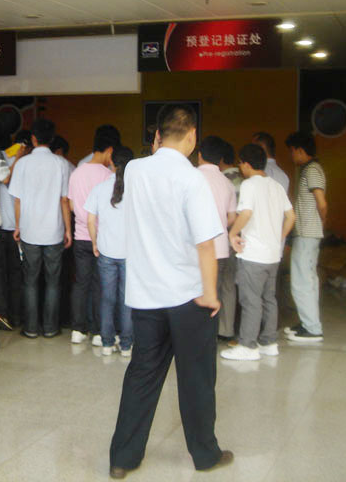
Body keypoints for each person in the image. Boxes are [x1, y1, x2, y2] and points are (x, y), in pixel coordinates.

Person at [109, 104, 232, 478]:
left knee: (142, 376)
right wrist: (210, 294)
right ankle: (205, 455)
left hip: (146, 297)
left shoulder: (134, 169)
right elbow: (206, 243)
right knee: (196, 379)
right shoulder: (192, 179)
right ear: (193, 137)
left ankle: (122, 459)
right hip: (188, 298)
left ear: (157, 136)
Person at [221, 144, 295, 361]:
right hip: (272, 255)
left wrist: (232, 233)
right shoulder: (276, 186)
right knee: (269, 299)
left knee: (250, 301)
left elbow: (246, 213)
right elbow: (291, 216)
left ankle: (247, 345)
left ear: (245, 164)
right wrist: (278, 237)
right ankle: (269, 342)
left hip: (253, 254)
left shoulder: (250, 185)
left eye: (241, 163)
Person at [9, 118, 72, 339]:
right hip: (54, 231)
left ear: (33, 138)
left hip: (29, 231)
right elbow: (64, 200)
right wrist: (68, 230)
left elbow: (17, 200)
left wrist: (18, 226)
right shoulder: (61, 164)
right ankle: (51, 328)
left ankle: (31, 328)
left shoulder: (23, 164)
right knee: (53, 282)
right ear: (52, 139)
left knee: (30, 281)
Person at [68, 127, 117, 346]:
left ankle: (77, 330)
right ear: (109, 150)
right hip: (101, 238)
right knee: (99, 285)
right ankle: (98, 332)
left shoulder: (77, 172)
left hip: (80, 236)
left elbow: (71, 205)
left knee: (81, 283)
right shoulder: (108, 176)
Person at [85, 146, 134, 357]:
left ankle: (107, 343)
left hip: (106, 251)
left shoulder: (100, 188)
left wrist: (94, 243)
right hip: (130, 254)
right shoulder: (137, 189)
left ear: (111, 163)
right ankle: (126, 345)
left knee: (107, 298)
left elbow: (90, 220)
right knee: (127, 300)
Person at [284, 131, 328, 343]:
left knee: (302, 281)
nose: (291, 155)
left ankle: (312, 328)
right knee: (306, 279)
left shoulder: (312, 170)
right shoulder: (310, 170)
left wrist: (320, 223)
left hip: (307, 233)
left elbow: (322, 203)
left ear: (300, 150)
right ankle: (307, 322)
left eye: (292, 151)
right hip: (307, 233)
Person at [197, 136, 238, 342]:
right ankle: (216, 333)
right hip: (221, 249)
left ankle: (198, 335)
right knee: (218, 292)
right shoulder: (227, 183)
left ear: (199, 155)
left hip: (195, 249)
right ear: (220, 158)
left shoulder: (191, 177)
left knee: (196, 293)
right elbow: (232, 218)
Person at [0, 130, 31, 329]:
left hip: (2, 226)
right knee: (15, 275)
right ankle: (12, 316)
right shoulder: (15, 162)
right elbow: (9, 180)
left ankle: (7, 314)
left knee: (2, 274)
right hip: (11, 228)